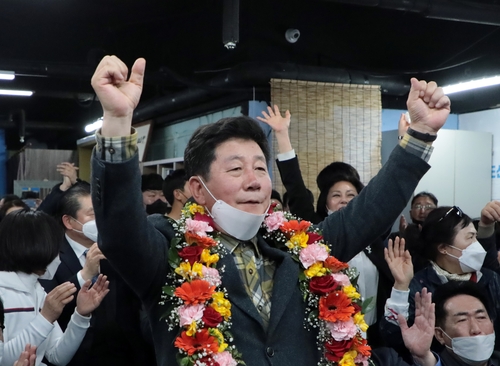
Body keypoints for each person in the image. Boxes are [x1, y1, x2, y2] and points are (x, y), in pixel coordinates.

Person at [90, 55, 450, 365]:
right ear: (197, 189)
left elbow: (370, 210)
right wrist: (118, 123)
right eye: (235, 169)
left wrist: (419, 133)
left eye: (260, 168)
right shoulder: (168, 251)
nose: (254, 181)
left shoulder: (304, 247)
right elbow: (120, 230)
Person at [258, 105, 394, 347]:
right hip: (329, 336)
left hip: (375, 333)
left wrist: (406, 140)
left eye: (351, 195)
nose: (344, 200)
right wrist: (282, 135)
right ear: (326, 202)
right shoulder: (319, 232)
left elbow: (387, 199)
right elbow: (297, 190)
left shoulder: (373, 238)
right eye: (336, 195)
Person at [38, 184, 155, 366]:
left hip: (124, 354)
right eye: (93, 215)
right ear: (69, 221)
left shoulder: (118, 249)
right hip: (75, 355)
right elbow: (49, 302)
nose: (101, 220)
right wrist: (84, 275)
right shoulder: (50, 254)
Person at [381, 206, 500, 355]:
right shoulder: (419, 286)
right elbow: (393, 338)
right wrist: (401, 286)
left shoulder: (490, 279)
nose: (477, 245)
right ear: (444, 248)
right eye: (470, 237)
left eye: (476, 236)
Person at [0, 209, 109, 366]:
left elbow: (57, 356)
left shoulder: (37, 289)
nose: (58, 257)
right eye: (56, 249)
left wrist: (80, 315)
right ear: (37, 247)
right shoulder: (3, 293)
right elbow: (3, 359)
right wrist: (46, 317)